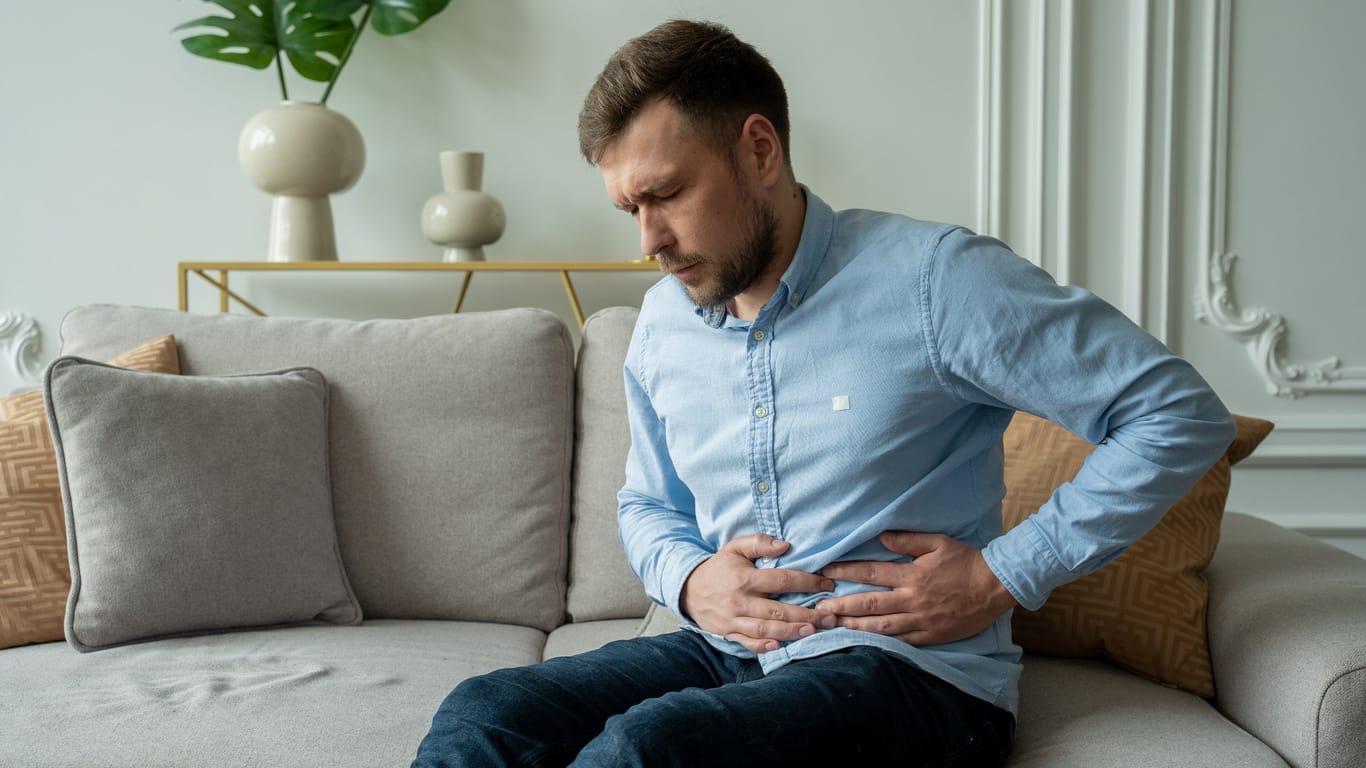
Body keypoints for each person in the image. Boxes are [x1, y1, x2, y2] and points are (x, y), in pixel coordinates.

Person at [413, 19, 1235, 767]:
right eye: (630, 207)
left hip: (914, 678)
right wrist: (695, 583)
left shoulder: (935, 281)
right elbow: (647, 507)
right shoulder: (663, 326)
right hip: (730, 650)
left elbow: (1177, 414)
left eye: (665, 194)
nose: (648, 241)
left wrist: (1002, 576)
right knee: (490, 710)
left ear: (760, 151)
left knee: (651, 750)